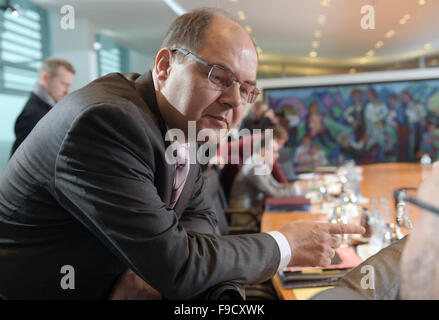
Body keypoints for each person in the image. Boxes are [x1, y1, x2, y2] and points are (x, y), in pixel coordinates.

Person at [0, 8, 363, 300]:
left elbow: (201, 213)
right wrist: (285, 244)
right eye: (220, 77)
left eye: (247, 89)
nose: (236, 100)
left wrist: (164, 261)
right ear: (163, 67)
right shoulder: (107, 122)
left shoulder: (187, 122)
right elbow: (177, 268)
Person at [228, 126, 302, 226]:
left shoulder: (261, 165)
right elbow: (273, 194)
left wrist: (295, 186)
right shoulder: (254, 169)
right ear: (263, 151)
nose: (277, 155)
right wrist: (297, 190)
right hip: (245, 219)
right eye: (274, 151)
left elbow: (276, 186)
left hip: (256, 213)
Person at [10, 57, 75, 157]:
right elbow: (20, 165)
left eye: (69, 86)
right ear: (45, 78)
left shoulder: (47, 111)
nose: (67, 91)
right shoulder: (33, 115)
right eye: (64, 84)